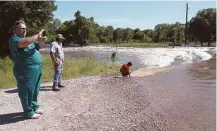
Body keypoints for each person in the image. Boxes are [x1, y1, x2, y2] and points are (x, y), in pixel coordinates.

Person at [8, 20, 47, 119]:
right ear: (14, 30)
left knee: (35, 90)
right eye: (22, 28)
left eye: (25, 29)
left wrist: (42, 40)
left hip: (37, 69)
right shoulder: (14, 39)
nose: (24, 30)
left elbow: (41, 47)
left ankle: (34, 107)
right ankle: (28, 112)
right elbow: (21, 44)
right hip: (25, 70)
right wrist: (36, 36)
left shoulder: (28, 40)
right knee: (27, 90)